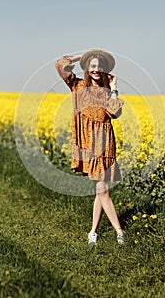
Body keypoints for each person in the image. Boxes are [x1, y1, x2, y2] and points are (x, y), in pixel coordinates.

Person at [55, 49, 124, 245]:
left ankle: (99, 232)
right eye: (92, 66)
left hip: (104, 145)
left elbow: (115, 113)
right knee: (101, 189)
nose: (96, 70)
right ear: (87, 68)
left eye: (99, 67)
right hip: (87, 146)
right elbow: (60, 65)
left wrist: (115, 87)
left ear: (104, 70)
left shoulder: (106, 91)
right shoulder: (77, 86)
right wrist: (82, 57)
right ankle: (116, 231)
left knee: (101, 189)